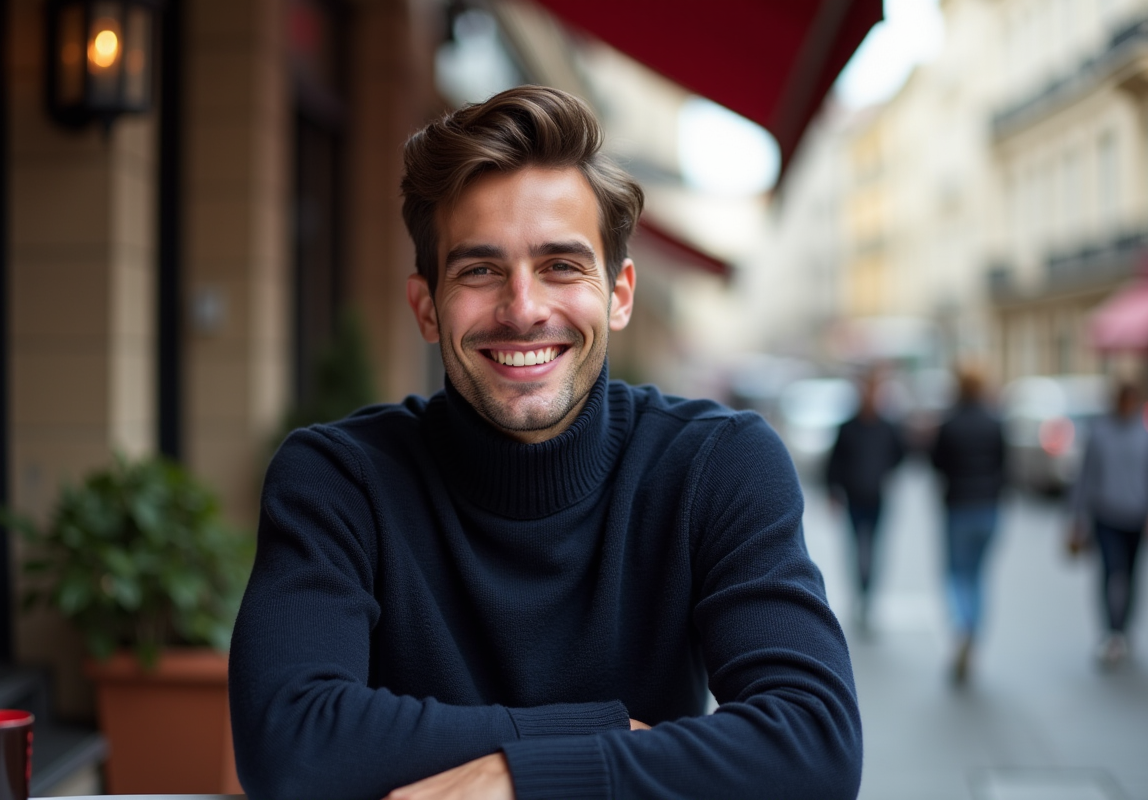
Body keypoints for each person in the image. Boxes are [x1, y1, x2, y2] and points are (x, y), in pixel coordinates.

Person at [228, 86, 861, 800]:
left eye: (561, 265)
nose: (523, 309)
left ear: (619, 294)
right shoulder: (339, 479)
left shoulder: (716, 465)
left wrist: (517, 777)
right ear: (426, 306)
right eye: (479, 270)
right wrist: (606, 735)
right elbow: (289, 743)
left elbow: (814, 746)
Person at [1069, 381, 1148, 668]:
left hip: (1137, 518)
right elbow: (1086, 477)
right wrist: (1076, 516)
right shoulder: (1100, 433)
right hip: (1106, 516)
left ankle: (1124, 630)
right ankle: (1110, 631)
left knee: (1131, 575)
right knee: (1109, 571)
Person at [929, 368, 1006, 685]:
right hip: (988, 507)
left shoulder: (950, 424)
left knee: (955, 573)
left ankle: (961, 623)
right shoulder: (994, 423)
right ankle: (972, 629)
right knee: (977, 575)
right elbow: (1005, 465)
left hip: (958, 506)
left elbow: (936, 463)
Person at [825, 371, 905, 631]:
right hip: (854, 497)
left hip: (877, 497)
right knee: (856, 549)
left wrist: (884, 472)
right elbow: (834, 462)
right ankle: (860, 595)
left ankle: (868, 597)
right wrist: (833, 491)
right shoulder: (848, 427)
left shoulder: (887, 426)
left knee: (874, 549)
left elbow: (899, 454)